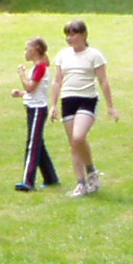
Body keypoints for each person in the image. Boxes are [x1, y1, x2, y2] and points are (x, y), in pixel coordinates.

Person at [49, 19, 118, 197]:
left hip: (87, 99)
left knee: (78, 137)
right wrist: (53, 105)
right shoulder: (63, 55)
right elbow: (57, 81)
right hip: (68, 100)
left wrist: (111, 106)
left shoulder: (94, 55)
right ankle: (81, 184)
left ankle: (91, 170)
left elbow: (103, 80)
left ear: (84, 35)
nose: (70, 38)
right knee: (73, 144)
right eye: (67, 35)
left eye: (73, 34)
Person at [11, 36, 60, 191]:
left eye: (27, 48)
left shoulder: (40, 68)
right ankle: (50, 177)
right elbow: (33, 91)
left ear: (35, 50)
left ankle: (28, 180)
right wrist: (22, 94)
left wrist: (22, 74)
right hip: (33, 108)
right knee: (38, 143)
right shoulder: (38, 68)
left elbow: (31, 87)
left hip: (38, 110)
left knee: (32, 145)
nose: (25, 52)